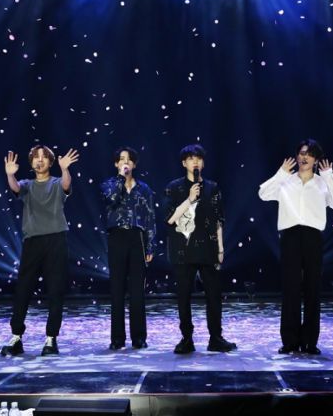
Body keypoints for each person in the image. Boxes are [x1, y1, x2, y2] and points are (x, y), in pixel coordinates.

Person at [258, 139, 333, 355]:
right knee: (291, 289)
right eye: (302, 153)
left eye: (310, 154)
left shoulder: (322, 182)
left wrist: (329, 178)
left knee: (313, 288)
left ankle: (310, 341)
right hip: (290, 236)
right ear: (297, 156)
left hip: (313, 236)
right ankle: (290, 341)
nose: (305, 157)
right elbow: (263, 194)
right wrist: (281, 174)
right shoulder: (286, 181)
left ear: (316, 160)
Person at [0, 145, 78, 357]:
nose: (40, 160)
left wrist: (65, 169)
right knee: (23, 289)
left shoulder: (56, 183)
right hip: (32, 241)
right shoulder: (27, 185)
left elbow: (66, 185)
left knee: (55, 289)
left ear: (51, 162)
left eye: (44, 157)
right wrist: (10, 175)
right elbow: (16, 188)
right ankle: (16, 337)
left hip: (56, 240)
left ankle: (51, 338)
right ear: (31, 162)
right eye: (36, 157)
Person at [164, 144, 237, 354]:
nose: (195, 162)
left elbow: (219, 220)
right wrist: (189, 199)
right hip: (182, 249)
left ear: (203, 163)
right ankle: (186, 338)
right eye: (190, 158)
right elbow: (170, 219)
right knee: (184, 296)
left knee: (214, 295)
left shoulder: (213, 187)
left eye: (198, 158)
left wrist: (220, 248)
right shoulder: (174, 187)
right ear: (184, 163)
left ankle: (216, 338)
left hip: (208, 247)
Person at [101, 146, 156, 350]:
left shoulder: (144, 189)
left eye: (129, 160)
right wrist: (120, 179)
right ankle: (117, 338)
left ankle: (139, 337)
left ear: (134, 164)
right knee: (117, 289)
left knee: (137, 291)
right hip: (117, 236)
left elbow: (150, 218)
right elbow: (112, 199)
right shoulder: (108, 185)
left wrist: (150, 245)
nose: (126, 162)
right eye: (122, 159)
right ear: (116, 163)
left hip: (137, 237)